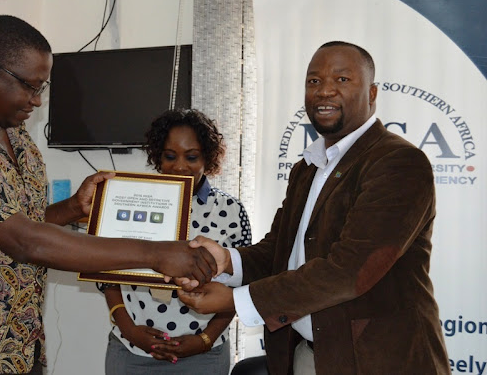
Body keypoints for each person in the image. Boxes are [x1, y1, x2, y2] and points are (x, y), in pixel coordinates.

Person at [0, 15, 217, 375]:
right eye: (30, 86)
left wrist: (72, 208)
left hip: (18, 350)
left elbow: (16, 223)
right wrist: (155, 253)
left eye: (42, 87)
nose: (37, 101)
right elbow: (25, 241)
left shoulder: (18, 138)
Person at [178, 41, 451, 374]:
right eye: (314, 81)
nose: (324, 91)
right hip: (309, 355)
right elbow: (279, 251)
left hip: (379, 362)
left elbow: (350, 271)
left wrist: (238, 300)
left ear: (372, 93)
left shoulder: (397, 162)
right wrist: (226, 260)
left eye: (342, 79)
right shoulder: (307, 167)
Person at [102, 109, 252, 374]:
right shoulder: (132, 200)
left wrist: (205, 340)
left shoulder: (230, 210)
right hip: (131, 351)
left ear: (207, 157)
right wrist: (130, 331)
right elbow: (107, 275)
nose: (180, 166)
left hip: (204, 356)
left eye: (191, 157)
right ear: (158, 156)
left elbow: (241, 284)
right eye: (170, 156)